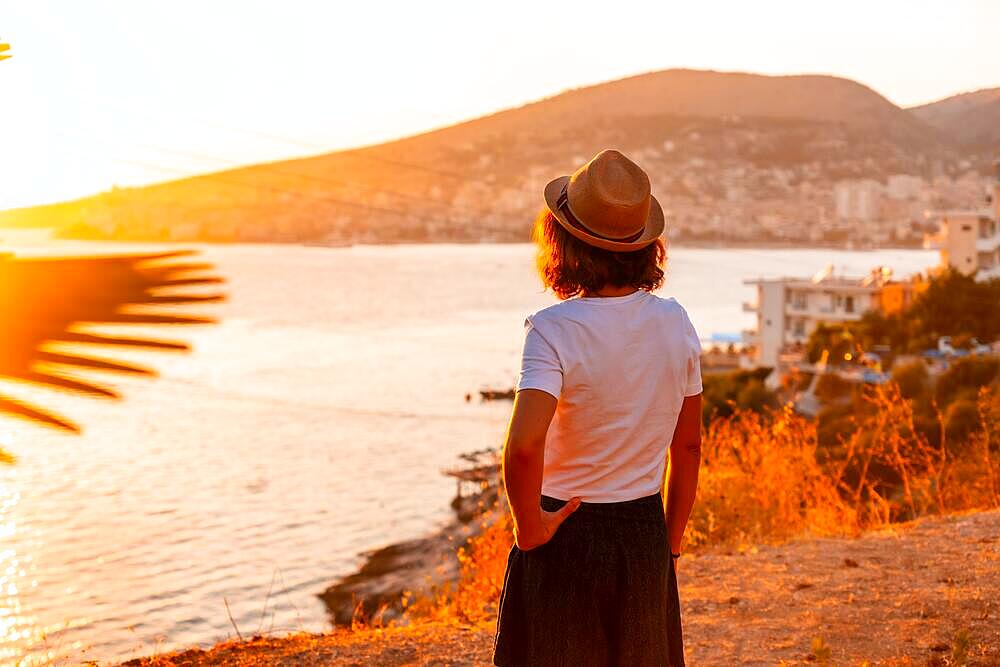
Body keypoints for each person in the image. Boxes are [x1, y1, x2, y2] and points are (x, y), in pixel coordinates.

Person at [492, 149, 703, 667]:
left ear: (562, 240)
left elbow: (523, 447)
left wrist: (528, 527)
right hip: (643, 529)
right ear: (644, 248)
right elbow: (690, 446)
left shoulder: (552, 330)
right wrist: (668, 542)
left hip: (562, 530)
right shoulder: (676, 323)